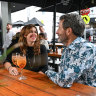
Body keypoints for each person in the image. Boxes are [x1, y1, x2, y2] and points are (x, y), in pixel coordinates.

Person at [45, 14, 96, 88]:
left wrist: (47, 72)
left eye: (59, 28)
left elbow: (64, 81)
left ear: (68, 31)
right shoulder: (67, 47)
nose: (56, 32)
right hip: (71, 90)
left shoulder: (86, 49)